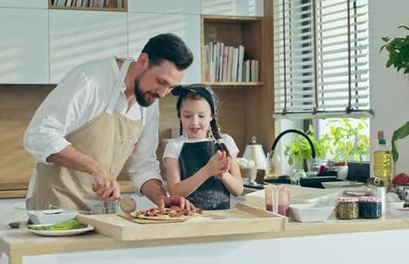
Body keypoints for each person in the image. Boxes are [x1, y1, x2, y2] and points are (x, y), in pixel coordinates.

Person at [24, 33, 195, 212]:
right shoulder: (89, 81)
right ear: (143, 60)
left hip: (102, 213)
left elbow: (142, 164)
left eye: (171, 87)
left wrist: (161, 197)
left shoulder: (149, 99)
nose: (163, 93)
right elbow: (39, 135)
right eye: (161, 82)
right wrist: (95, 167)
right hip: (56, 210)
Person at [162, 84, 244, 210]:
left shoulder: (226, 142)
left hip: (221, 220)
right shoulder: (173, 146)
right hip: (188, 219)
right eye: (188, 116)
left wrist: (222, 174)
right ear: (180, 116)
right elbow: (175, 192)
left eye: (201, 116)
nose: (194, 121)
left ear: (211, 116)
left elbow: (238, 190)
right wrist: (207, 171)